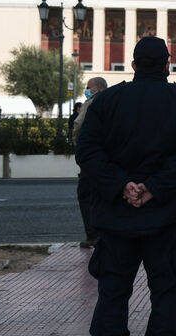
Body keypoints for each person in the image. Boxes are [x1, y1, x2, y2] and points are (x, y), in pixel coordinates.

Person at [75, 36, 176, 336]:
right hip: (166, 214)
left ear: (133, 65)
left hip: (115, 213)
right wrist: (152, 187)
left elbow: (87, 152)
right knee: (166, 293)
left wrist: (122, 186)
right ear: (167, 65)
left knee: (113, 292)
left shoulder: (105, 101)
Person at [72, 76, 108, 248]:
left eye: (88, 87)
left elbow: (78, 125)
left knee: (86, 195)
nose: (86, 90)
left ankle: (93, 235)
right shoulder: (115, 100)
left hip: (92, 156)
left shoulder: (92, 102)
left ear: (97, 88)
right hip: (110, 157)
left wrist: (79, 146)